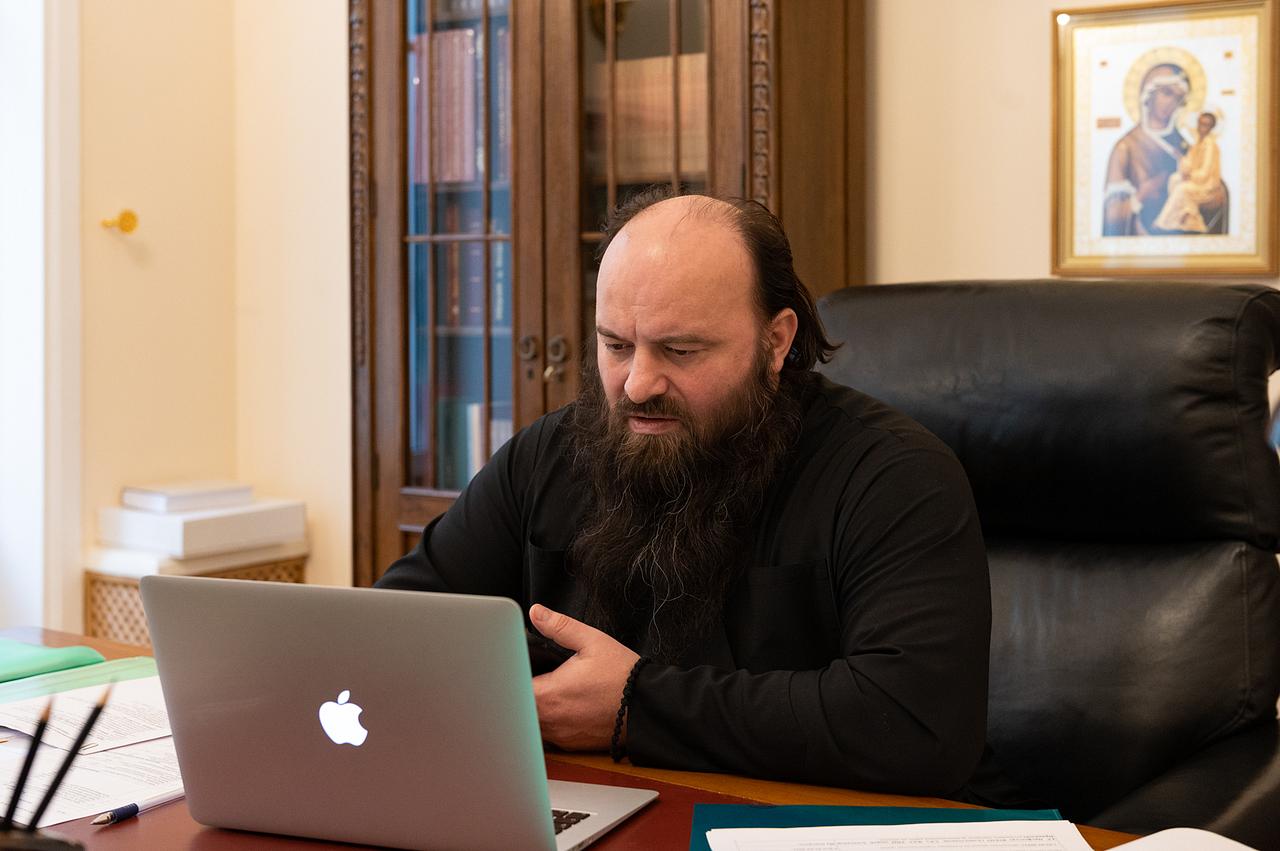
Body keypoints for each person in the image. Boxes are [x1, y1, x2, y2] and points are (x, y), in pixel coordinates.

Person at [377, 188, 991, 797]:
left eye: (680, 350)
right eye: (616, 346)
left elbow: (915, 725)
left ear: (776, 342)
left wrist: (636, 705)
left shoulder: (892, 475)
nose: (638, 385)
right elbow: (391, 632)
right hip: (586, 806)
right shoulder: (550, 453)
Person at [1102, 63, 1192, 236]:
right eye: (1166, 93)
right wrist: (1142, 195)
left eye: (1178, 98)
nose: (1171, 103)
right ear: (1148, 94)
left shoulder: (1184, 148)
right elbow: (1112, 217)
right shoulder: (1125, 148)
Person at [1153, 111, 1224, 233]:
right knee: (1174, 179)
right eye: (1200, 124)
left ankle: (1163, 223)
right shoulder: (1197, 144)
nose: (1202, 128)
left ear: (1211, 127)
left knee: (1183, 189)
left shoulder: (1210, 146)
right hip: (1196, 180)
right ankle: (1181, 219)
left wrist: (1190, 176)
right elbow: (1188, 164)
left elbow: (1206, 172)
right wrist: (1180, 158)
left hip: (1207, 186)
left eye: (1206, 125)